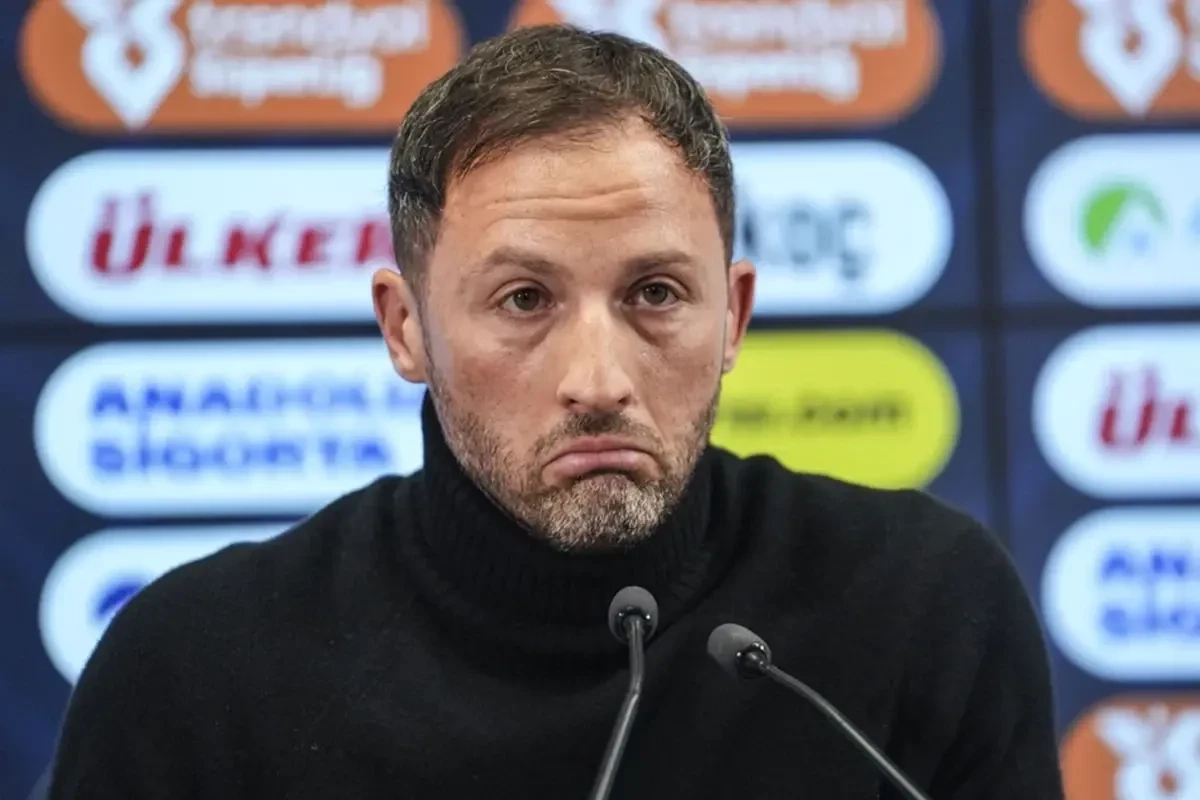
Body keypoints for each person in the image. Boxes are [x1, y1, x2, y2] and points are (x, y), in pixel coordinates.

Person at [45, 24, 1064, 799]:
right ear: (405, 328)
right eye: (524, 299)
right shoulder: (195, 672)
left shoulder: (925, 609)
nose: (599, 378)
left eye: (655, 293)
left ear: (734, 316)